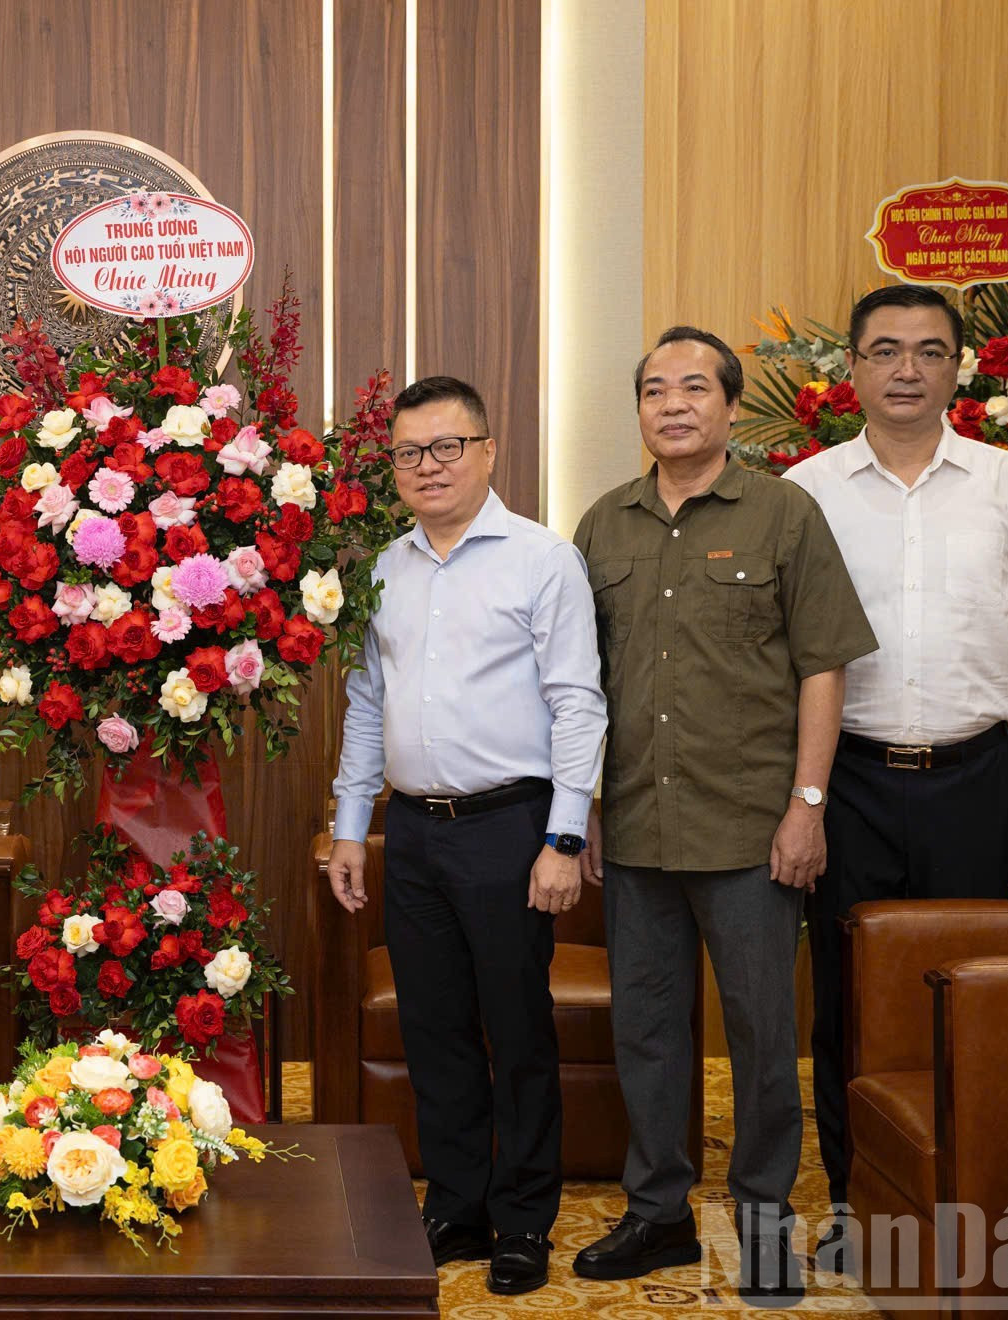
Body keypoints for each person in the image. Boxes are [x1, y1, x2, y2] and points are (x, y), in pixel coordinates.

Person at [570, 327, 877, 1307]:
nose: (673, 404)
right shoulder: (603, 525)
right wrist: (585, 805)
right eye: (655, 388)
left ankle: (764, 1223)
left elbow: (823, 665)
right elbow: (579, 682)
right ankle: (657, 1214)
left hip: (752, 828)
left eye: (695, 387)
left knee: (760, 1034)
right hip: (637, 824)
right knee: (648, 1031)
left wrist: (808, 806)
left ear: (732, 407)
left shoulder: (785, 514)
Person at [783, 284, 1008, 1270]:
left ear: (959, 368)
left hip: (976, 779)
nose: (906, 369)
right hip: (849, 781)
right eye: (886, 350)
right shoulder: (809, 490)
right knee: (849, 1003)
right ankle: (857, 1209)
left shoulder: (1007, 483)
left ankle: (965, 1202)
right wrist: (801, 798)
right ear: (852, 368)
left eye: (929, 351)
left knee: (967, 995)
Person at [328, 375, 606, 1296]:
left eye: (447, 447)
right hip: (413, 833)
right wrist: (350, 828)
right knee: (434, 1028)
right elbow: (365, 706)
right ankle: (457, 1205)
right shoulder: (383, 569)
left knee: (517, 1031)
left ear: (488, 451)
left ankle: (523, 1219)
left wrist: (563, 840)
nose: (429, 466)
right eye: (409, 452)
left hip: (510, 829)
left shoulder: (542, 560)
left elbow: (578, 704)